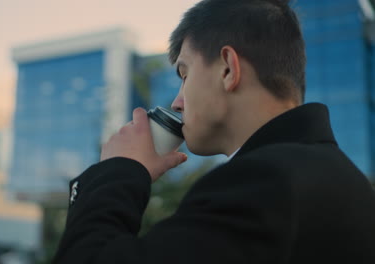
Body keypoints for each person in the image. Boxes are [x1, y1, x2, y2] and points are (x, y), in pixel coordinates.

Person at [52, 0, 375, 263]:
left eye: (185, 74)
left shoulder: (263, 182)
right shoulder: (344, 179)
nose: (177, 103)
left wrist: (117, 171)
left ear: (227, 69)